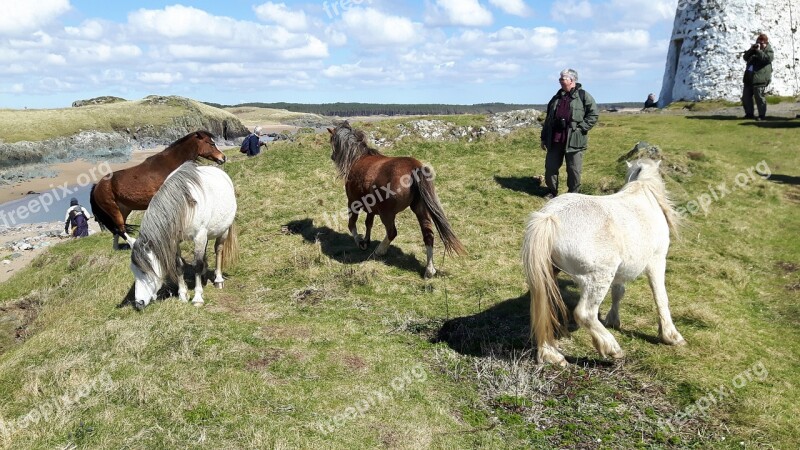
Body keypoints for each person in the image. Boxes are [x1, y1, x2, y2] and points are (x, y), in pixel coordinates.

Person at [540, 68, 599, 200]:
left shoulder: (584, 96)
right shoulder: (556, 98)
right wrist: (543, 138)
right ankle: (552, 192)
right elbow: (548, 120)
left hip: (574, 140)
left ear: (572, 80)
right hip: (555, 139)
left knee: (574, 169)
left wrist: (581, 128)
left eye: (563, 78)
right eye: (560, 78)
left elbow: (593, 114)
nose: (560, 81)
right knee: (550, 168)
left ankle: (573, 194)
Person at [742, 33, 773, 121]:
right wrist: (751, 50)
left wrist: (759, 51)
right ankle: (749, 114)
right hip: (749, 77)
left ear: (766, 43)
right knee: (746, 97)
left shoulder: (769, 51)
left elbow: (767, 59)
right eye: (758, 42)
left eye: (762, 43)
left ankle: (762, 115)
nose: (760, 44)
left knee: (759, 98)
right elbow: (745, 57)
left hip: (760, 78)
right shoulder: (754, 50)